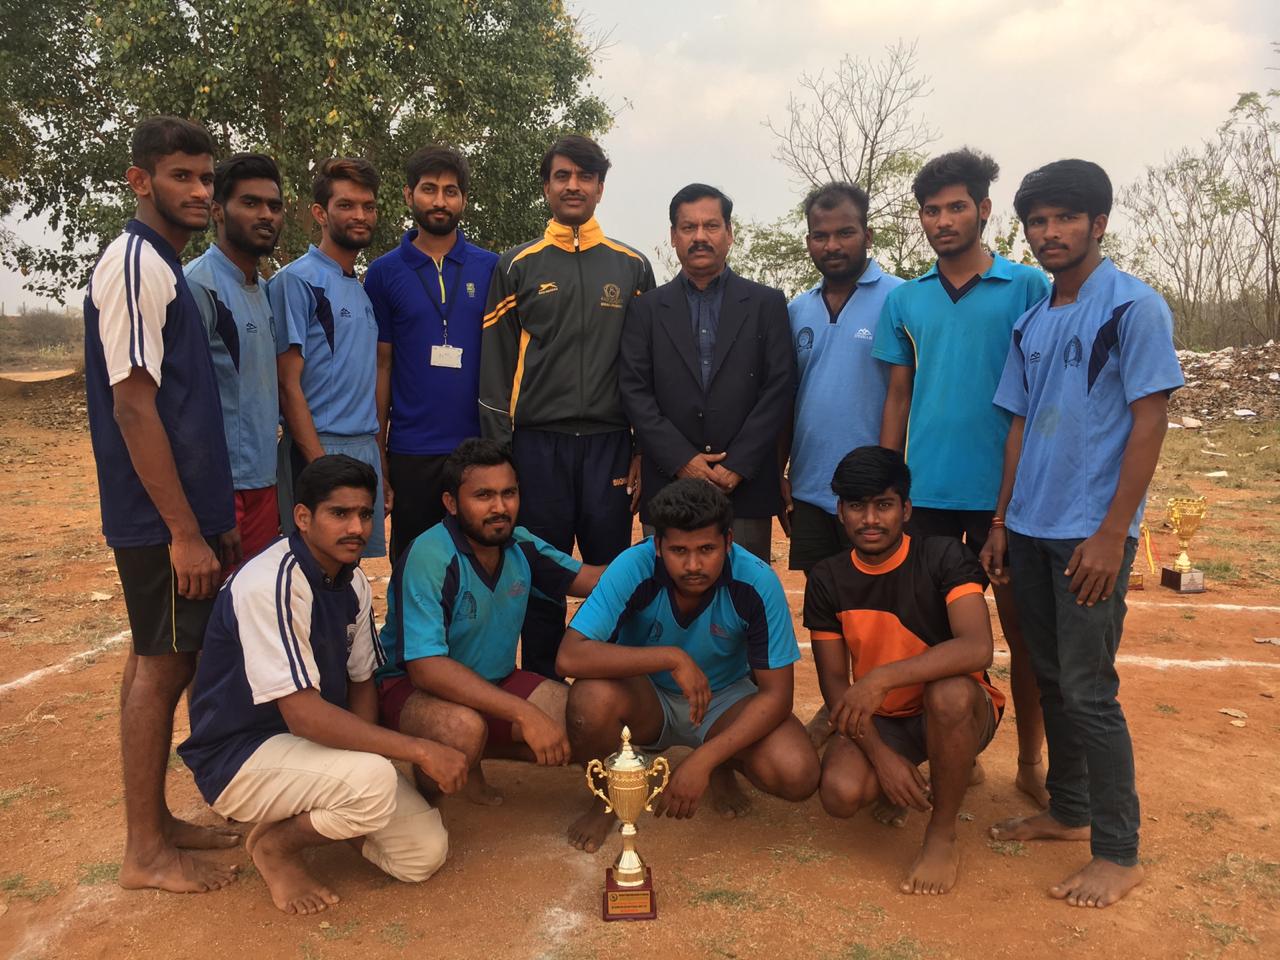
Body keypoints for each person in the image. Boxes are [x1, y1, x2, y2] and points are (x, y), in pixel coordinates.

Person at [983, 160, 1183, 909]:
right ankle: (1069, 809)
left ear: (1098, 223)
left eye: (1065, 218)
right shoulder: (1033, 320)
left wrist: (1111, 532)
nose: (1050, 232)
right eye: (1038, 221)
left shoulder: (1133, 308)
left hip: (1089, 534)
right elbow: (1019, 426)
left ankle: (1118, 851)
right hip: (1029, 527)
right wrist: (1002, 521)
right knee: (1052, 677)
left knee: (1091, 690)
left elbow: (1149, 420)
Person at [179, 456, 464, 916]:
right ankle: (275, 847)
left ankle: (329, 806)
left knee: (421, 855)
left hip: (313, 749)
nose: (356, 527)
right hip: (241, 756)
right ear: (303, 517)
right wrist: (418, 751)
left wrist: (362, 759)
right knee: (372, 783)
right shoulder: (270, 582)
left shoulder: (353, 581)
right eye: (339, 513)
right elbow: (304, 716)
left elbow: (361, 682)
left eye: (365, 513)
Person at [83, 116, 239, 894]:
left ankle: (157, 824)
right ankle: (144, 850)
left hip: (176, 513)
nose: (200, 191)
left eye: (206, 178)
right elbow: (134, 406)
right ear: (140, 181)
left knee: (159, 657)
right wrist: (183, 531)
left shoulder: (161, 266)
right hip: (157, 519)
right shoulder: (136, 264)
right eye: (182, 176)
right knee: (162, 663)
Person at [873, 148, 1051, 807]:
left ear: (983, 209)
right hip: (927, 498)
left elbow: (1041, 394)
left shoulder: (1028, 287)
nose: (943, 220)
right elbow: (898, 395)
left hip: (1008, 499)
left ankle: (1030, 763)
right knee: (934, 637)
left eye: (956, 207)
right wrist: (887, 486)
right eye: (931, 210)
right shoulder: (906, 299)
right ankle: (958, 752)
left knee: (1023, 635)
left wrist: (1014, 502)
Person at [557, 479, 820, 853]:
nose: (694, 565)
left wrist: (703, 760)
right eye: (679, 550)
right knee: (590, 701)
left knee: (797, 772)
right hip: (646, 696)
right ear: (658, 546)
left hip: (723, 700)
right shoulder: (632, 566)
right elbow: (569, 656)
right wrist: (671, 658)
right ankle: (609, 798)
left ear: (728, 542)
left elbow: (777, 696)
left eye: (707, 549)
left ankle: (721, 765)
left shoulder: (757, 580)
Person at [478, 135, 655, 678]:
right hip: (537, 448)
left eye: (584, 176)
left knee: (615, 578)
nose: (573, 186)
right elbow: (496, 366)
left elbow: (647, 368)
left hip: (609, 447)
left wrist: (642, 448)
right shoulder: (516, 266)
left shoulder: (632, 267)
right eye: (562, 176)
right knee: (539, 577)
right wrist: (500, 454)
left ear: (600, 187)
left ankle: (612, 697)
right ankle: (542, 689)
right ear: (546, 187)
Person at [804, 446, 1004, 896]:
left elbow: (977, 648)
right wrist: (882, 758)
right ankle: (921, 770)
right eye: (857, 506)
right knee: (840, 794)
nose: (870, 519)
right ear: (840, 512)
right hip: (885, 719)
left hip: (957, 709)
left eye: (884, 505)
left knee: (948, 694)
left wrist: (881, 678)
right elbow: (834, 684)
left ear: (907, 509)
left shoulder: (944, 556)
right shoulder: (827, 578)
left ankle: (941, 835)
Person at [376, 438, 604, 805]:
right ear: (451, 503)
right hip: (410, 690)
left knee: (584, 720)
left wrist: (656, 555)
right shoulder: (430, 556)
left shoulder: (520, 544)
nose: (500, 507)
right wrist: (524, 713)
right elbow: (425, 669)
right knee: (461, 729)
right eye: (483, 495)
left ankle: (476, 754)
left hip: (495, 681)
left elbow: (592, 580)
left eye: (508, 493)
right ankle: (425, 804)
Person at [619, 183, 796, 562]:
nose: (700, 237)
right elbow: (635, 391)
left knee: (743, 589)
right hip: (668, 484)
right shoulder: (645, 309)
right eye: (688, 227)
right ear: (673, 236)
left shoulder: (766, 304)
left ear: (729, 233)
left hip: (745, 487)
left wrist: (738, 465)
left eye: (711, 226)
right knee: (668, 588)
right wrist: (682, 460)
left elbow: (779, 387)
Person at [365, 146, 499, 562]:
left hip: (479, 448)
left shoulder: (492, 268)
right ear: (409, 195)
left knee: (480, 563)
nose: (440, 201)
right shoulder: (383, 273)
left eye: (450, 191)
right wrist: (379, 450)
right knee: (414, 564)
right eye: (429, 189)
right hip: (412, 450)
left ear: (464, 200)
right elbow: (381, 365)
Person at [784, 181, 902, 572]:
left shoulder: (901, 299)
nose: (832, 245)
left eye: (845, 233)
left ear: (867, 235)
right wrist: (781, 474)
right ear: (808, 242)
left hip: (875, 494)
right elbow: (786, 399)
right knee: (821, 601)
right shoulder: (796, 310)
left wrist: (890, 481)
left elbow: (909, 396)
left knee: (879, 600)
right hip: (809, 489)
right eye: (821, 236)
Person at [271, 157, 386, 557]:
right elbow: (286, 384)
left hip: (363, 449)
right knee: (309, 569)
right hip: (318, 449)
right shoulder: (297, 281)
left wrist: (378, 464)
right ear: (320, 213)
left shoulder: (360, 290)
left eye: (368, 206)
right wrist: (319, 466)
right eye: (346, 205)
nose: (360, 215)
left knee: (348, 570)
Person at [186, 152, 286, 564]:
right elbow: (184, 405)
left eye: (274, 206)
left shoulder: (263, 290)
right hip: (222, 490)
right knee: (218, 601)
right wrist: (214, 504)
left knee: (254, 597)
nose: (266, 215)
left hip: (263, 481)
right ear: (217, 211)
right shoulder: (198, 287)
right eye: (250, 203)